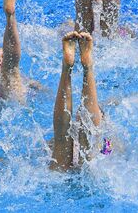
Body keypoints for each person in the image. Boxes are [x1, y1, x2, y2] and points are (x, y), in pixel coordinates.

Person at [50, 31, 104, 171]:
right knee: (91, 149)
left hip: (59, 175)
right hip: (89, 176)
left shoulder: (50, 142)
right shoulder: (110, 139)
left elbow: (60, 131)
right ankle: (88, 69)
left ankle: (66, 69)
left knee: (60, 139)